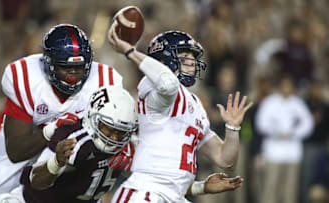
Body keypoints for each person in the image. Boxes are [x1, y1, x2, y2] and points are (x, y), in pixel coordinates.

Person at [0, 23, 123, 202]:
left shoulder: (104, 83)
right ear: (48, 64)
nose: (73, 74)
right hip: (10, 172)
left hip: (63, 176)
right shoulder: (28, 79)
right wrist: (53, 129)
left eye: (79, 67)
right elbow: (16, 151)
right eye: (65, 67)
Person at [108, 23, 251, 202]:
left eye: (193, 55)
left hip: (175, 195)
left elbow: (225, 160)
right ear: (162, 60)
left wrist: (232, 128)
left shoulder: (195, 103)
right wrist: (131, 52)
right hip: (145, 192)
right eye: (184, 55)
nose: (191, 60)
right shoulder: (154, 88)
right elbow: (167, 84)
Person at [0, 86, 138, 203]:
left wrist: (138, 167)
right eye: (108, 128)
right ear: (92, 117)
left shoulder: (132, 146)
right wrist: (56, 163)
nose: (114, 137)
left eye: (121, 132)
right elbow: (35, 180)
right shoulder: (75, 139)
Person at [255, 75, 314, 203]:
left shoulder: (298, 103)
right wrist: (276, 132)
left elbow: (308, 124)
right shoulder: (270, 102)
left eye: (289, 85)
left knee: (290, 191)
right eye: (284, 85)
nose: (286, 88)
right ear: (279, 86)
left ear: (292, 87)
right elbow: (260, 123)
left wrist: (294, 133)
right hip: (273, 153)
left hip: (293, 154)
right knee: (270, 189)